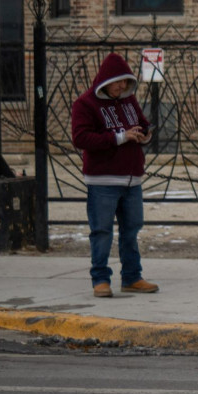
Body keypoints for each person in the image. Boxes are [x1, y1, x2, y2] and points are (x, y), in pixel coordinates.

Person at [69, 53, 158, 298]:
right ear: (106, 80)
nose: (122, 86)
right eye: (118, 81)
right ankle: (100, 279)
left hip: (132, 179)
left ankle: (132, 277)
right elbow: (81, 138)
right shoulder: (85, 104)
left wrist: (144, 135)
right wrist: (120, 137)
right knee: (102, 231)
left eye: (126, 81)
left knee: (132, 229)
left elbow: (142, 123)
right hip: (103, 180)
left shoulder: (129, 100)